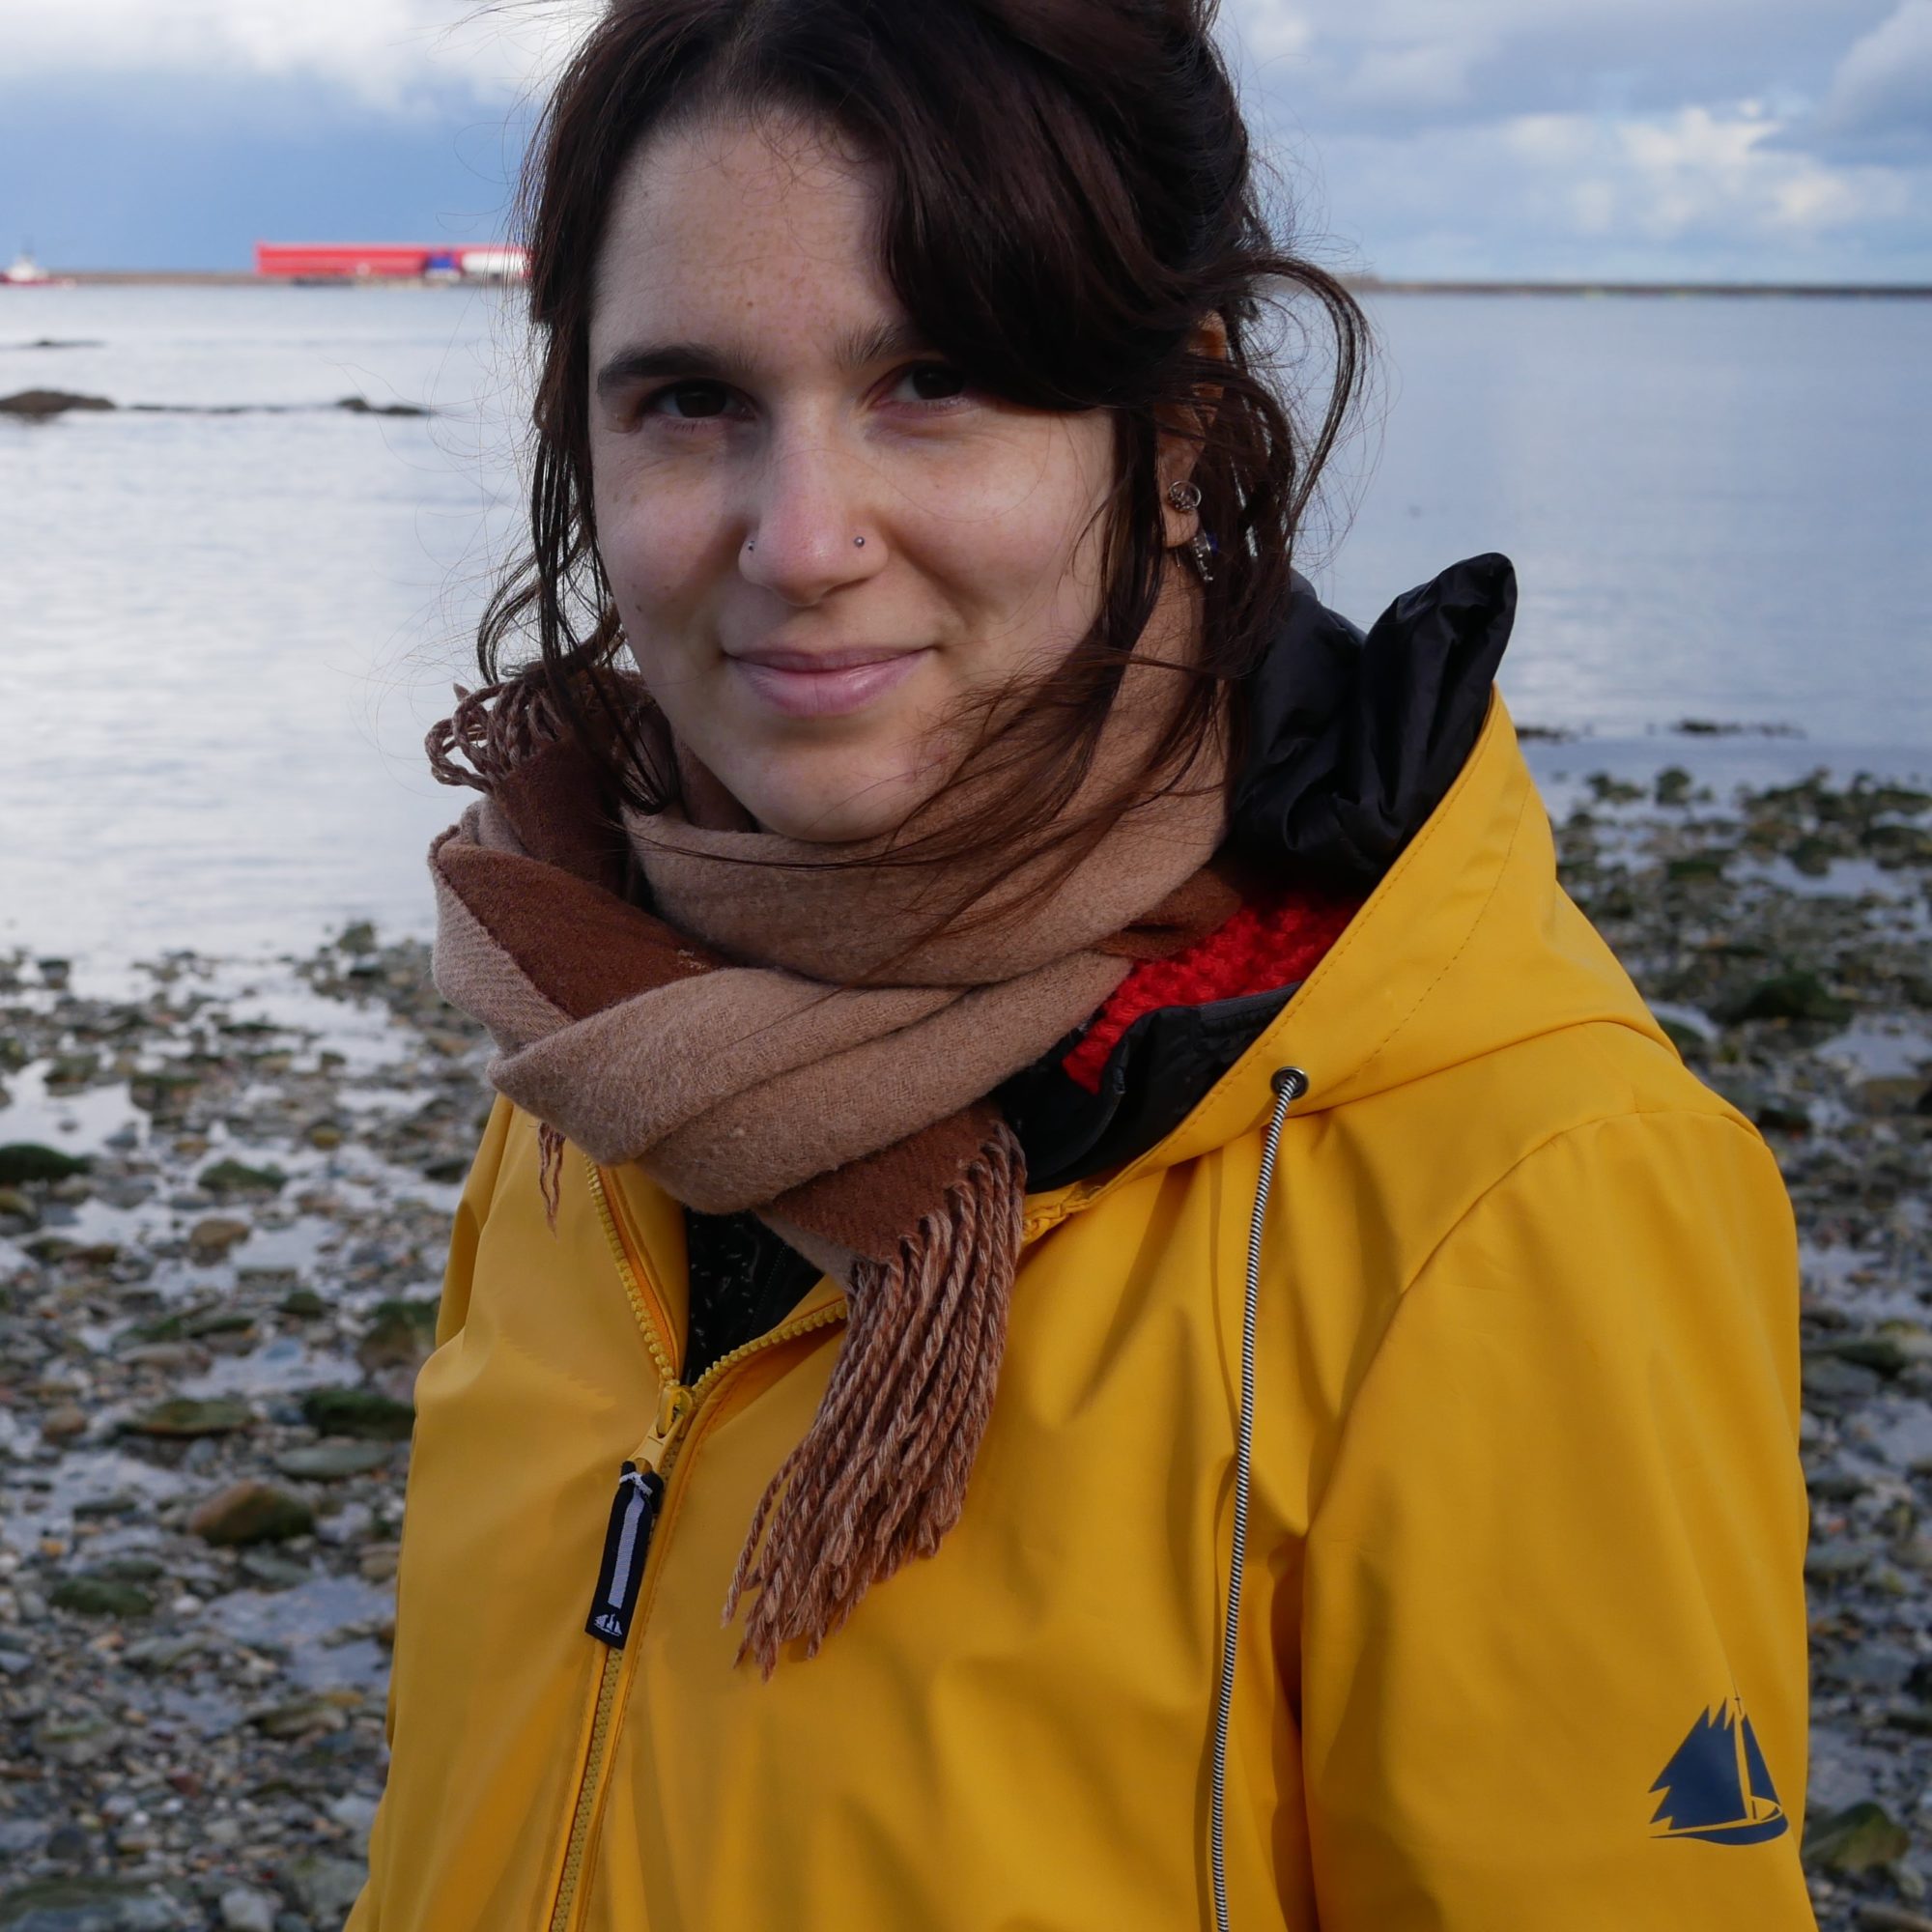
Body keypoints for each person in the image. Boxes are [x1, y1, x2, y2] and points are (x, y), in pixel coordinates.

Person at [349, 2, 1815, 1926]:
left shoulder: (1511, 1189)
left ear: (1178, 433)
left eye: (934, 378)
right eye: (690, 400)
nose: (800, 541)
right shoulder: (596, 1044)